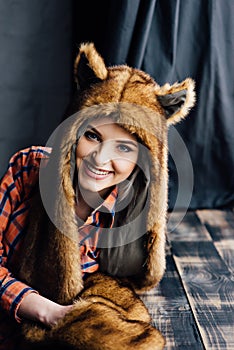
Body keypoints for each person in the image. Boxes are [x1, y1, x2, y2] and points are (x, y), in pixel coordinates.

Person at [0, 43, 195, 349]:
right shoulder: (27, 169)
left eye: (124, 148)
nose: (100, 159)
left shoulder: (126, 213)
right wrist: (42, 308)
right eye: (92, 136)